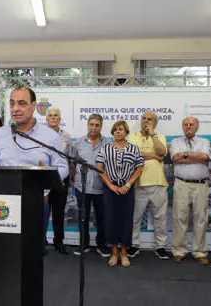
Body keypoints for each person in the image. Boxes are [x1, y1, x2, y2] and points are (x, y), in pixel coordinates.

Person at [0, 87, 69, 252]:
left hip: (37, 203)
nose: (15, 108)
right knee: (7, 252)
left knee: (34, 253)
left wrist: (44, 177)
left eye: (21, 103)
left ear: (33, 106)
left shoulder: (50, 136)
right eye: (12, 103)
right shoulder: (1, 134)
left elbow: (63, 166)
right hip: (5, 203)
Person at [97, 121, 143, 267]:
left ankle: (124, 252)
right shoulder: (105, 148)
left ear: (126, 132)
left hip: (127, 189)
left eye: (121, 129)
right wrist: (111, 186)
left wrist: (128, 184)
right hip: (110, 190)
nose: (118, 132)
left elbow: (139, 168)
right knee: (111, 220)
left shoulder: (133, 148)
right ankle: (114, 252)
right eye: (115, 130)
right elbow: (99, 168)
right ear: (112, 132)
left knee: (126, 220)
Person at [127, 111, 169, 260]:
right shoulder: (133, 137)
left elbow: (162, 152)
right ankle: (134, 244)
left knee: (160, 218)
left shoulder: (160, 137)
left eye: (149, 119)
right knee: (135, 217)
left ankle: (161, 246)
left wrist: (152, 135)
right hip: (139, 183)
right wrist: (153, 156)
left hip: (158, 183)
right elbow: (133, 154)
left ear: (155, 123)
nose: (146, 121)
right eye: (144, 118)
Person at [170, 116, 211, 265]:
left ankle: (200, 252)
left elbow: (206, 157)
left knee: (200, 219)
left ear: (197, 127)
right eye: (185, 124)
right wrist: (196, 157)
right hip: (181, 184)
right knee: (179, 218)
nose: (188, 127)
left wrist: (185, 154)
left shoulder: (204, 141)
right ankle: (179, 251)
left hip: (200, 185)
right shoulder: (175, 142)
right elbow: (175, 158)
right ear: (182, 127)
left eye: (191, 124)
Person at [72, 114, 112, 258]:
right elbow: (73, 162)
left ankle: (102, 245)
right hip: (81, 186)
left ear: (101, 126)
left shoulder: (107, 143)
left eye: (97, 125)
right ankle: (84, 244)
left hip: (101, 187)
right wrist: (73, 179)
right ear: (88, 125)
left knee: (102, 218)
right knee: (83, 217)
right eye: (91, 124)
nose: (94, 127)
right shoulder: (79, 143)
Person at [45, 107, 72, 255]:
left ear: (60, 119)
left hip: (61, 178)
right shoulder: (40, 135)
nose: (53, 118)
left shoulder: (66, 137)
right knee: (43, 211)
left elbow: (69, 158)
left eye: (56, 116)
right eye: (50, 116)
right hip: (44, 178)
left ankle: (58, 241)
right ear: (46, 119)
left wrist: (69, 179)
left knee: (58, 212)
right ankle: (41, 241)